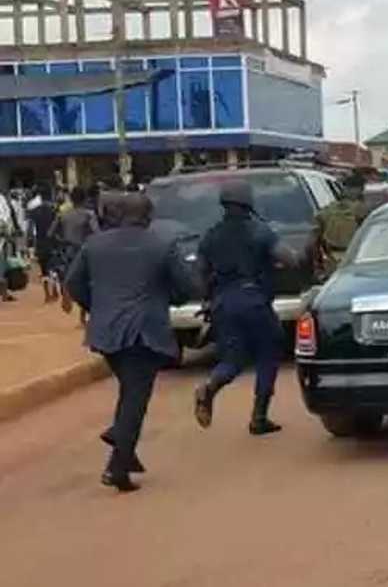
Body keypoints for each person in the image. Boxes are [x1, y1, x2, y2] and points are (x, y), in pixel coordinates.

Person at [65, 193, 193, 492]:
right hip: (144, 331)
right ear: (148, 216)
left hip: (106, 332)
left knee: (130, 392)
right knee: (136, 396)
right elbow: (187, 287)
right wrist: (167, 299)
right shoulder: (161, 245)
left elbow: (73, 283)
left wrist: (98, 306)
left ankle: (120, 448)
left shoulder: (94, 244)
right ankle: (118, 458)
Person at [193, 179, 300, 436]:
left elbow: (198, 275)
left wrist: (209, 299)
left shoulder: (211, 235)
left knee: (232, 359)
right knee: (269, 352)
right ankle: (259, 417)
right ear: (248, 202)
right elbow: (289, 259)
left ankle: (211, 385)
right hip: (254, 301)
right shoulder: (260, 231)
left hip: (222, 304)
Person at [50, 186, 99, 319]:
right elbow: (96, 232)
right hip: (83, 249)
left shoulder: (63, 214)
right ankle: (83, 315)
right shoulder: (89, 214)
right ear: (85, 199)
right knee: (87, 280)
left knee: (68, 275)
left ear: (71, 199)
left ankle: (66, 293)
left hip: (67, 249)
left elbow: (51, 233)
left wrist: (61, 240)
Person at [313, 170, 370, 279]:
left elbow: (315, 240)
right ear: (360, 190)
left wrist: (318, 266)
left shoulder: (327, 210)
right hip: (355, 257)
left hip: (332, 258)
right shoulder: (362, 210)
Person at [26, 184, 59, 303]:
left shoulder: (34, 210)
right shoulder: (54, 208)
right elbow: (58, 226)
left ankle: (47, 295)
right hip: (53, 241)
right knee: (54, 267)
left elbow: (30, 229)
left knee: (44, 269)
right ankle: (55, 290)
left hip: (40, 241)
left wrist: (29, 244)